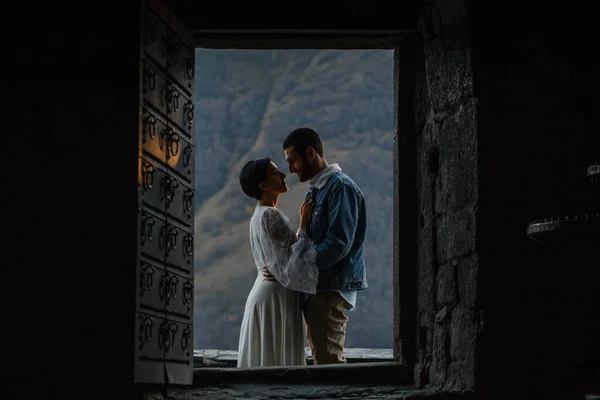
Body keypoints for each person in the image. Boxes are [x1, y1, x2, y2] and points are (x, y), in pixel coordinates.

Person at [264, 127, 368, 365]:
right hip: (319, 288)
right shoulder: (317, 190)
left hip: (330, 289)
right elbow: (308, 236)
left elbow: (338, 244)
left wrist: (296, 267)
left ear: (310, 153)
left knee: (328, 362)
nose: (290, 169)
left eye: (293, 161)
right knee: (323, 358)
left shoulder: (340, 188)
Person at [236, 156, 320, 367]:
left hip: (269, 292)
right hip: (275, 296)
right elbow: (290, 265)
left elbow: (281, 261)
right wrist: (305, 226)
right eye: (275, 172)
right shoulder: (270, 216)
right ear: (263, 185)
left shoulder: (258, 215)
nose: (283, 174)